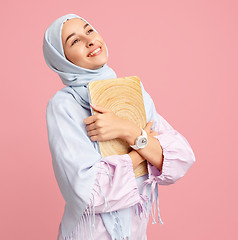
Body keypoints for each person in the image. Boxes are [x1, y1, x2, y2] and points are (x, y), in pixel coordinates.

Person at [43, 13, 196, 240]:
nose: (90, 40)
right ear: (61, 58)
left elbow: (181, 159)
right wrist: (142, 153)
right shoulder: (64, 105)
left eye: (89, 31)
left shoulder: (131, 91)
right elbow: (88, 193)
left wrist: (127, 130)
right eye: (74, 41)